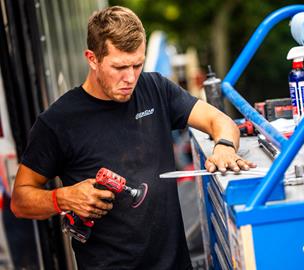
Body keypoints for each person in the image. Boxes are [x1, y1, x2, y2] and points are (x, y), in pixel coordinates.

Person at [10, 6, 256, 270]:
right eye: (119, 67)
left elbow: (219, 120)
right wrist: (63, 198)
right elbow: (20, 200)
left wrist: (225, 147)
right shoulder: (58, 122)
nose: (130, 78)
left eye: (137, 64)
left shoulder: (155, 89)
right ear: (92, 59)